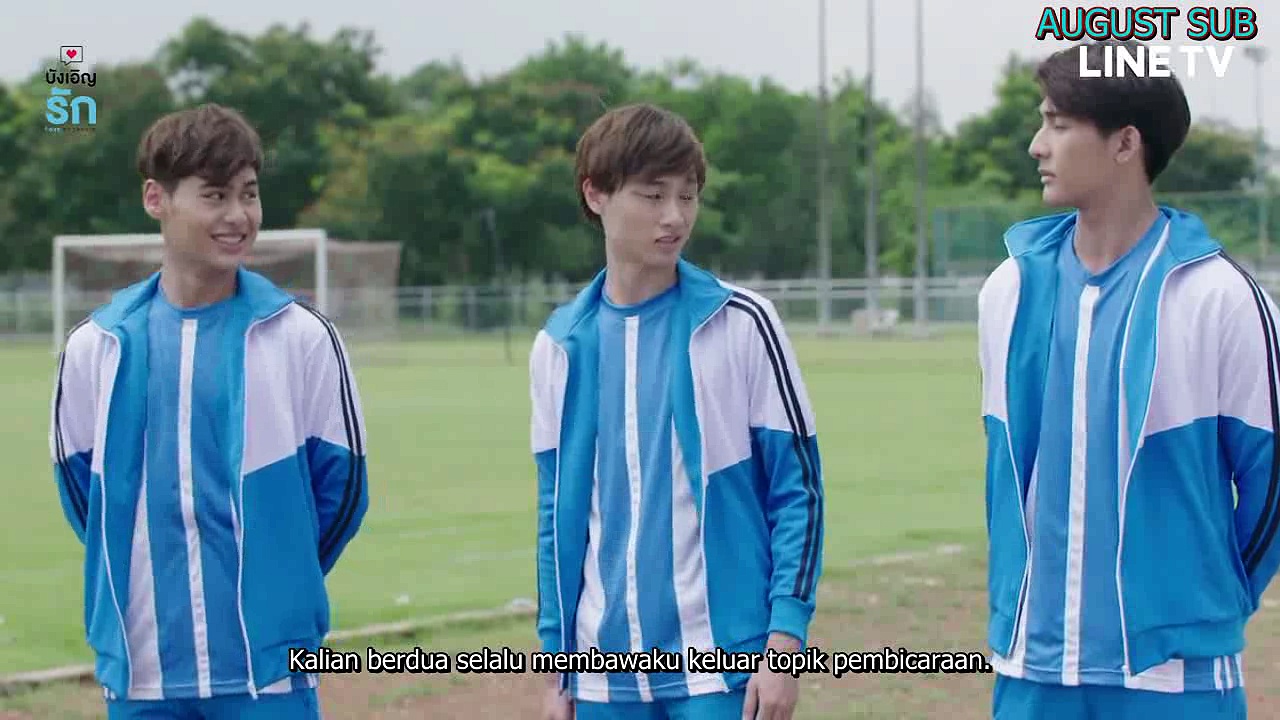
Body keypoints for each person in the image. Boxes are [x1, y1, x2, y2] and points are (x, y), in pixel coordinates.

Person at [978, 39, 1279, 719]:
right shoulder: (1008, 290)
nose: (1036, 145)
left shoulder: (1220, 298)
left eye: (1058, 125)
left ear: (1125, 143)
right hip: (1033, 667)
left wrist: (1207, 600)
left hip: (1176, 677)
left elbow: (1273, 483)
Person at [49, 103, 369, 719]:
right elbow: (84, 497)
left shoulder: (301, 336)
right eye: (215, 196)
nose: (238, 216)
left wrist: (281, 576)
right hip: (141, 673)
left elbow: (343, 491)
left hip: (268, 675)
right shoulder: (96, 346)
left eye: (249, 194)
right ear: (156, 199)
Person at [529, 103, 825, 720]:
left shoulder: (742, 324)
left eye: (687, 196)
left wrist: (784, 643)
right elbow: (556, 515)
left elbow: (797, 492)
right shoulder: (558, 346)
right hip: (602, 674)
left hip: (721, 665)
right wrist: (556, 661)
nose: (675, 216)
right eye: (653, 195)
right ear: (596, 194)